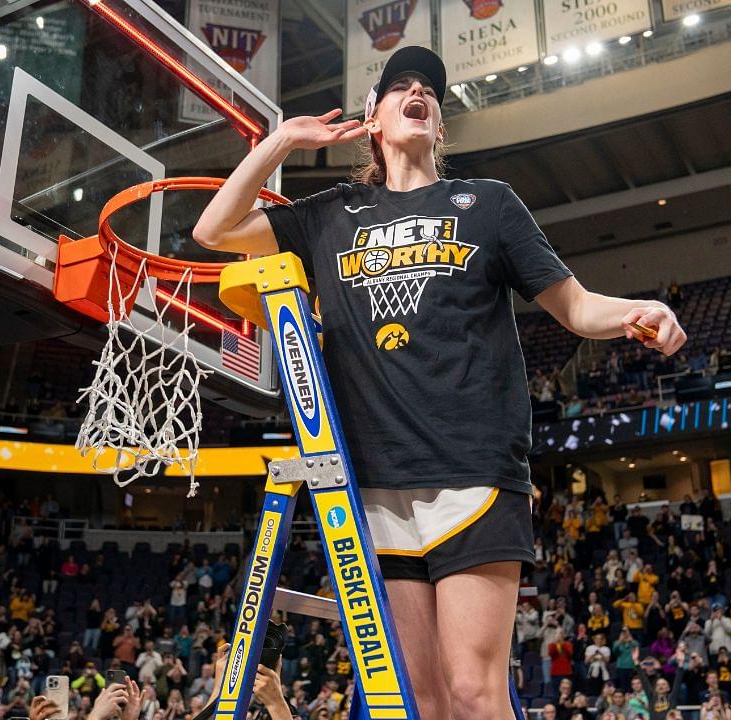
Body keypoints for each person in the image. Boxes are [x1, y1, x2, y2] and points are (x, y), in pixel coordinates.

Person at [193, 45, 686, 720]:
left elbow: (575, 308)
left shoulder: (488, 204)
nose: (417, 92)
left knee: (475, 692)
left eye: (428, 88)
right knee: (419, 702)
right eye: (401, 86)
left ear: (442, 126)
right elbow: (213, 229)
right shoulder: (329, 215)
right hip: (375, 485)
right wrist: (282, 139)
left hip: (472, 472)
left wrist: (636, 311)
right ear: (372, 118)